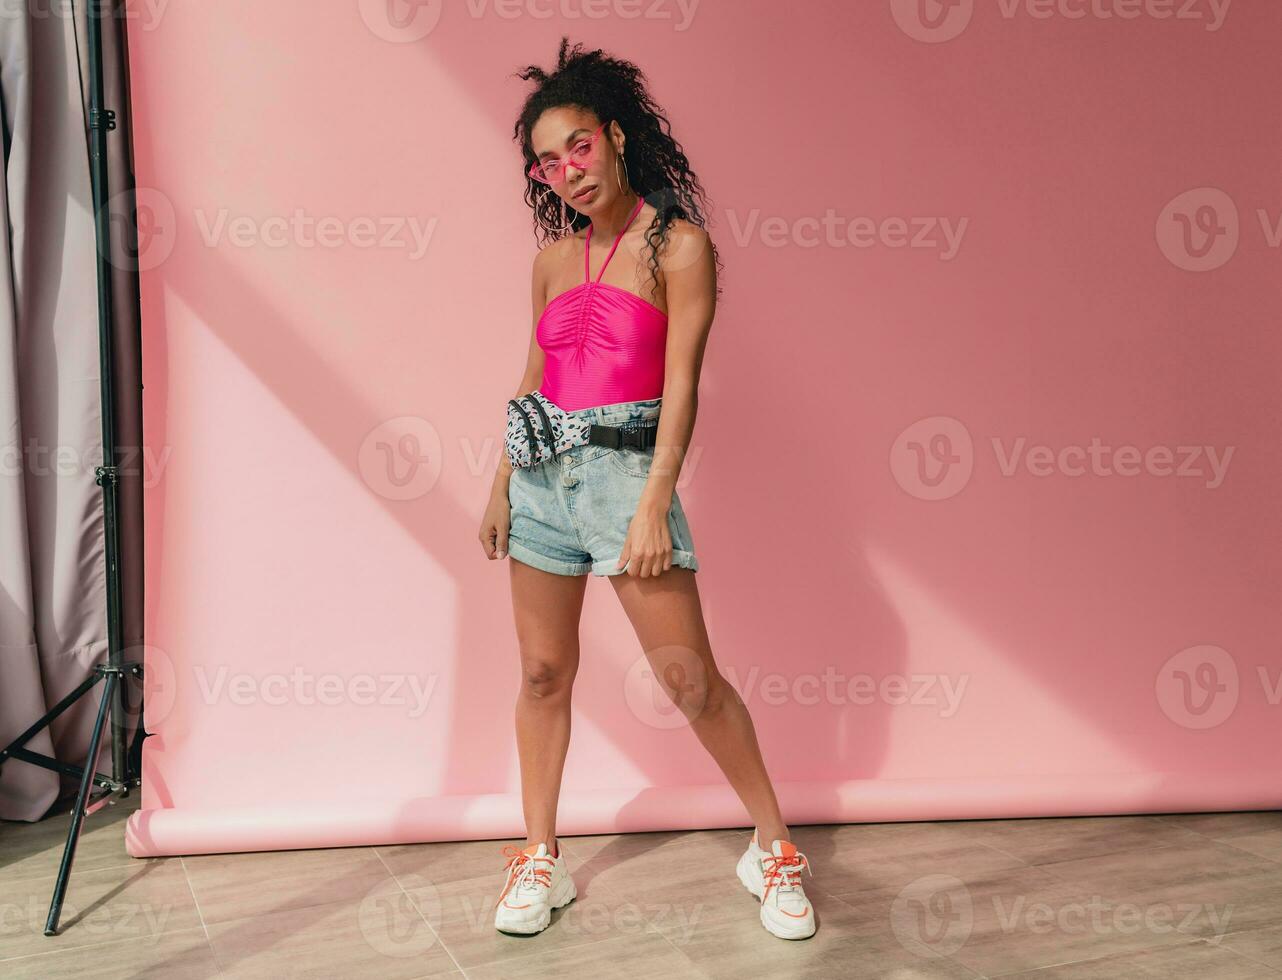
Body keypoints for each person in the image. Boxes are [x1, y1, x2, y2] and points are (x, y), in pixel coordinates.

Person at [477, 37, 817, 941]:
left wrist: (653, 501)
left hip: (628, 473)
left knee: (688, 679)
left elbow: (684, 382)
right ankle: (540, 860)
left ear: (617, 137)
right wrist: (502, 481)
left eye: (578, 147)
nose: (567, 172)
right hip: (543, 477)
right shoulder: (551, 260)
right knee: (544, 673)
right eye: (548, 162)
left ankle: (773, 846)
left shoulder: (679, 244)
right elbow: (532, 377)